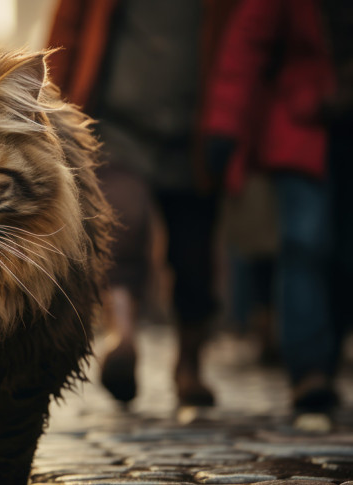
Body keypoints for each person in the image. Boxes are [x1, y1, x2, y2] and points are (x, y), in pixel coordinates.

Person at [47, 0, 239, 406]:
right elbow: (66, 34)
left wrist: (230, 122)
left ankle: (189, 364)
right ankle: (123, 337)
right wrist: (50, 110)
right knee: (122, 222)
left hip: (197, 133)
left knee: (194, 256)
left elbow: (242, 46)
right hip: (115, 126)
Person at [203, 0, 353, 413]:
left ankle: (327, 355)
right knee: (304, 243)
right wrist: (224, 125)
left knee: (344, 255)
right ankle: (310, 370)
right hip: (305, 124)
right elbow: (247, 44)